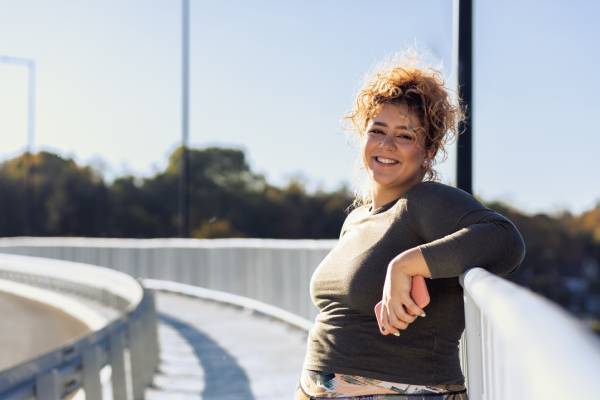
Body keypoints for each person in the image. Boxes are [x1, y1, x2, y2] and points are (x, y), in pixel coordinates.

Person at [295, 53, 526, 399]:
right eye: (377, 131)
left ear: (428, 151)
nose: (386, 145)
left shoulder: (425, 200)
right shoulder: (357, 218)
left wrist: (406, 264)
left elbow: (505, 240)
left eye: (404, 136)